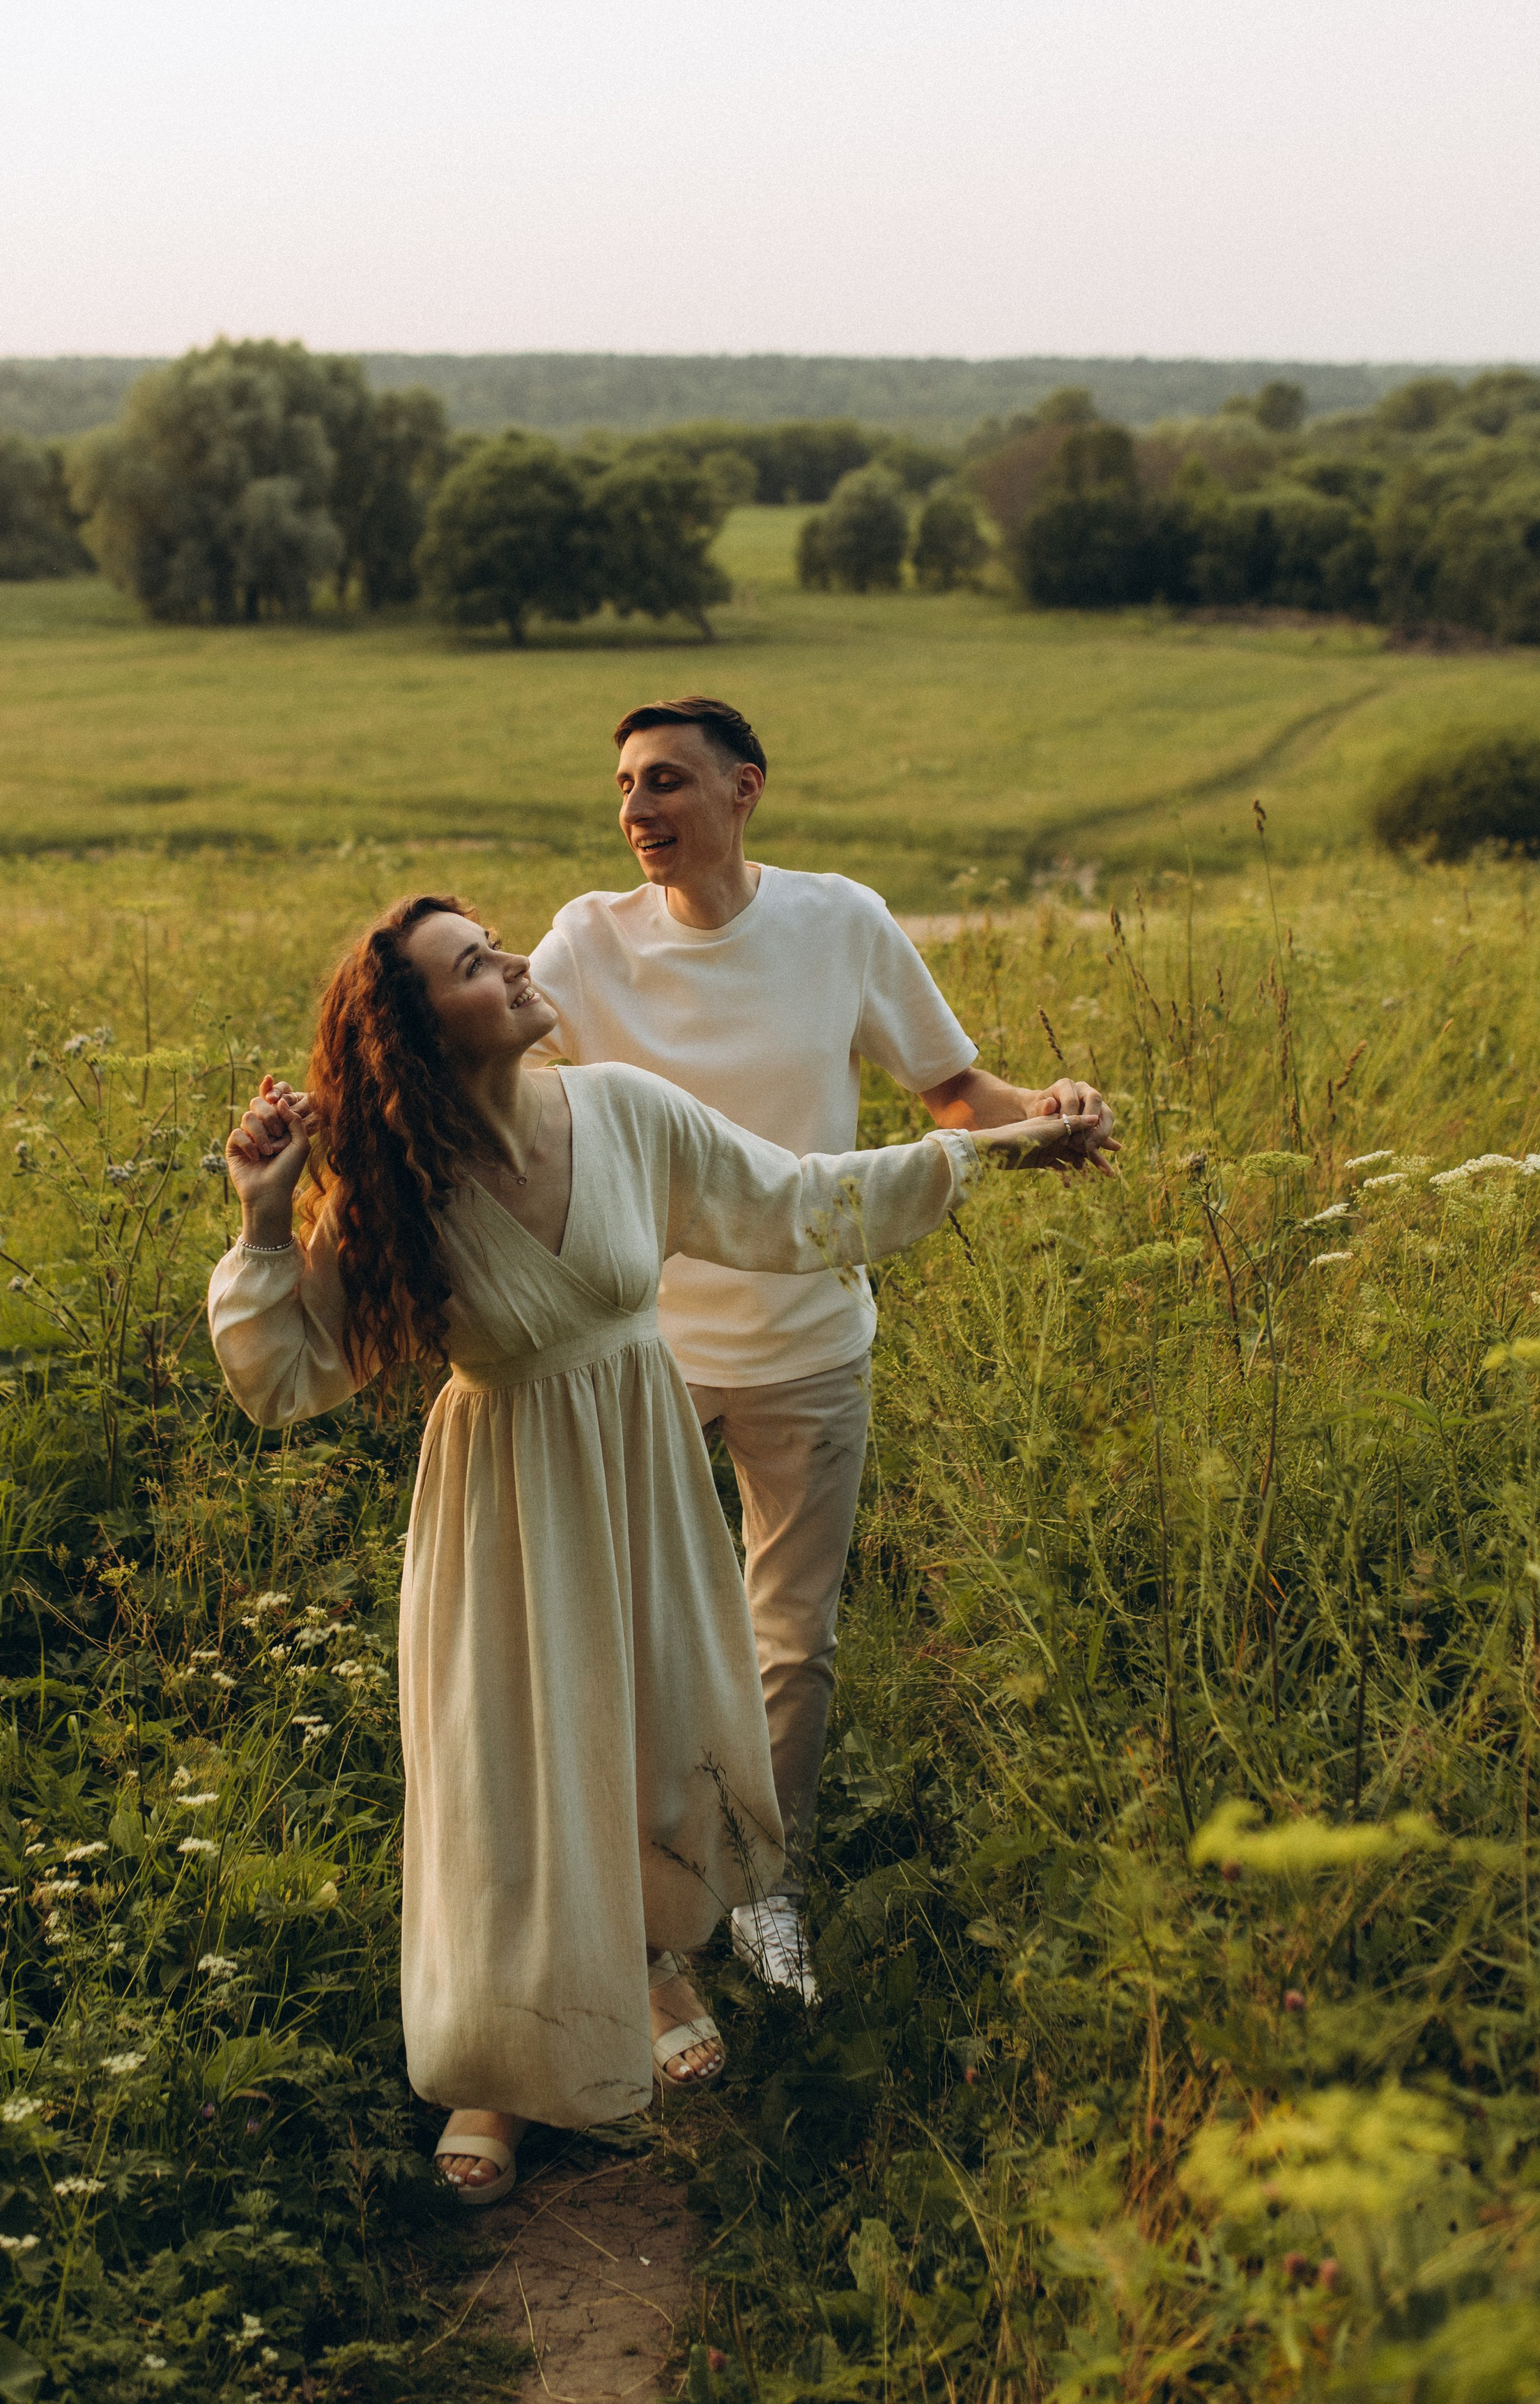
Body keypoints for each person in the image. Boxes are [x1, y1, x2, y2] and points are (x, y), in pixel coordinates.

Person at [208, 893, 1100, 2205]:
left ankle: (647, 1962)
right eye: (474, 964)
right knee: (507, 1764)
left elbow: (796, 1205)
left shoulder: (623, 1108)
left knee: (657, 1726)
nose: (513, 963)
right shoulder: (400, 1188)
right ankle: (491, 2072)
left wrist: (1000, 1148)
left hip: (643, 1472)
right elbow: (286, 1380)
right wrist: (265, 1218)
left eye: (496, 943)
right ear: (416, 1026)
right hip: (507, 1504)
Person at [528, 697, 1116, 1999]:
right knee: (631, 1629)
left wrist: (1053, 1112)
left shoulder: (840, 920)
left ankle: (761, 1894)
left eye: (668, 783)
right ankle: (630, 1905)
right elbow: (493, 1075)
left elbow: (957, 1097)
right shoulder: (583, 942)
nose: (639, 812)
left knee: (791, 1637)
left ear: (746, 790)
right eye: (625, 788)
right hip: (641, 1356)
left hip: (808, 1346)